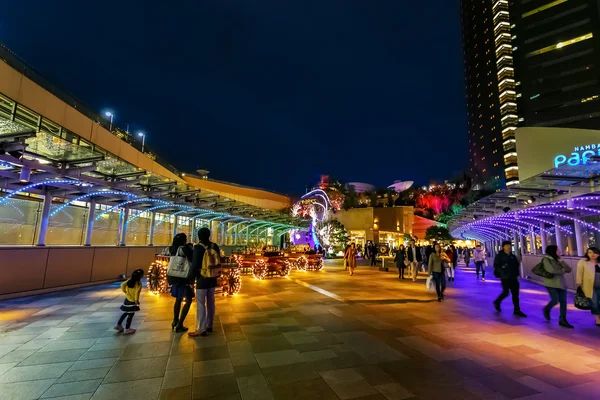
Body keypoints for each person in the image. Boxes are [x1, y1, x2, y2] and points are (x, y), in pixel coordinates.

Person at [188, 228, 220, 337]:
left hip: (202, 279)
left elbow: (195, 264)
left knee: (201, 303)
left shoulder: (197, 248)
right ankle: (209, 325)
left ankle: (201, 328)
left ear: (199, 236)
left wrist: (191, 279)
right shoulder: (214, 246)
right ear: (209, 235)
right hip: (213, 278)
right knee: (211, 302)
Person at [167, 233, 194, 332]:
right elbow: (192, 258)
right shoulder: (184, 249)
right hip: (183, 277)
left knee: (178, 299)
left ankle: (175, 320)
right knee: (188, 300)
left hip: (174, 277)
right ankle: (180, 323)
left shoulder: (172, 249)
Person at [541, 245, 574, 328]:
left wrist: (561, 261)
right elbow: (551, 270)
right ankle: (547, 309)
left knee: (563, 302)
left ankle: (563, 319)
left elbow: (569, 269)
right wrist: (562, 270)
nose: (559, 250)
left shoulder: (559, 259)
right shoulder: (546, 259)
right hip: (551, 283)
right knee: (555, 300)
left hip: (561, 283)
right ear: (553, 251)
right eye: (557, 249)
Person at [493, 241, 526, 317]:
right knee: (506, 292)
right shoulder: (499, 256)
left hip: (513, 277)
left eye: (509, 245)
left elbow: (516, 265)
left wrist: (517, 274)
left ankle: (517, 310)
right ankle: (497, 302)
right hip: (505, 278)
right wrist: (502, 270)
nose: (509, 247)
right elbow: (496, 265)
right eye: (507, 245)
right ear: (503, 247)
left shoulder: (513, 256)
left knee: (515, 294)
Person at [576, 247, 600, 327]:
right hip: (589, 286)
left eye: (594, 252)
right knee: (594, 303)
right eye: (590, 252)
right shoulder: (583, 262)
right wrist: (579, 282)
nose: (592, 254)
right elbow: (579, 273)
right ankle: (597, 319)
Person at [115, 269, 144, 334]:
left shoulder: (129, 281)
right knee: (131, 314)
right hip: (132, 301)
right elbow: (137, 292)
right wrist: (136, 300)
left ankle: (118, 325)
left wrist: (125, 291)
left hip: (127, 299)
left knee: (126, 312)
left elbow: (122, 285)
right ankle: (127, 328)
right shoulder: (138, 283)